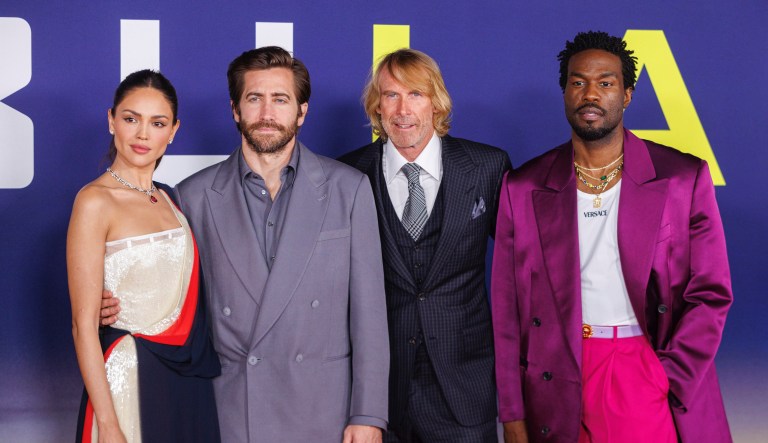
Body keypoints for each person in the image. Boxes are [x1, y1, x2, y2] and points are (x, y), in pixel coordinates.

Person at [102, 47, 389, 442]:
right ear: (235, 110)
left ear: (302, 111)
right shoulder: (192, 197)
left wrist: (369, 414)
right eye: (254, 99)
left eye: (281, 99)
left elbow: (370, 318)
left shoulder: (349, 189)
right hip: (231, 411)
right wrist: (117, 302)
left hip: (327, 412)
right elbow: (169, 297)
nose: (267, 113)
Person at [491, 31, 732, 443]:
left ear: (628, 94)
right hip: (556, 375)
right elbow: (506, 309)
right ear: (565, 91)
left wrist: (664, 375)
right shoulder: (523, 186)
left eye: (606, 82)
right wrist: (512, 413)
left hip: (642, 367)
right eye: (578, 81)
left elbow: (710, 292)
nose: (591, 93)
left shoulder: (681, 178)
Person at [339, 49, 511, 442]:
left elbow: (522, 271)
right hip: (379, 394)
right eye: (390, 95)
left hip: (465, 388)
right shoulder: (348, 174)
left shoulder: (487, 167)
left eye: (415, 94)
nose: (403, 109)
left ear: (436, 102)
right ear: (376, 107)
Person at [67, 70, 221, 443]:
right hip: (126, 378)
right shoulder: (94, 201)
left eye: (158, 123)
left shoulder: (171, 198)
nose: (142, 134)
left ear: (173, 131)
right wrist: (108, 424)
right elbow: (83, 326)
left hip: (185, 377)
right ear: (111, 120)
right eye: (131, 118)